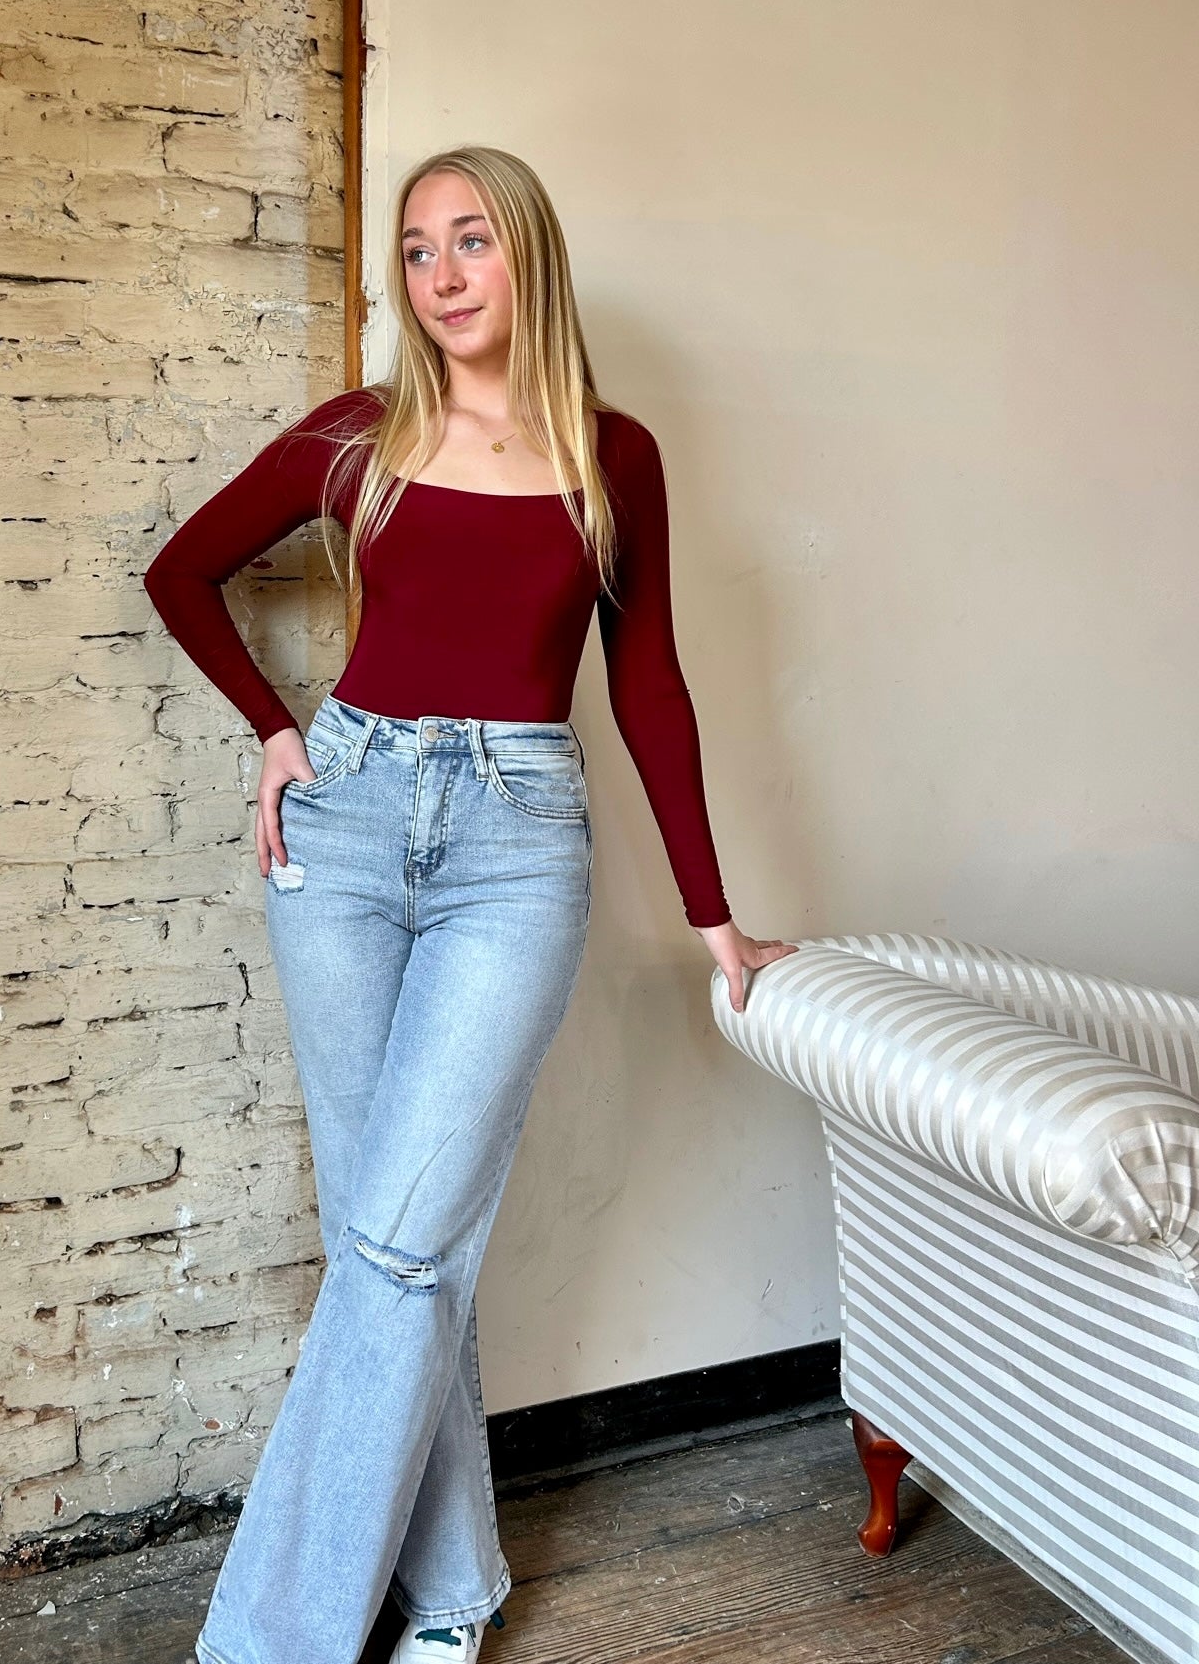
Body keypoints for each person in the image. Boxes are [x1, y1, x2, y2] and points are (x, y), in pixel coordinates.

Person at [142, 145, 798, 1664]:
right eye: (417, 250)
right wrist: (278, 731)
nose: (441, 275)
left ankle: (270, 1645)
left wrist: (716, 915)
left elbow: (648, 681)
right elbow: (182, 572)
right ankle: (450, 1593)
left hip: (517, 844)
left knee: (401, 1239)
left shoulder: (614, 455)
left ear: (530, 257)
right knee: (387, 1241)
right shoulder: (357, 436)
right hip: (345, 827)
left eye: (472, 241)